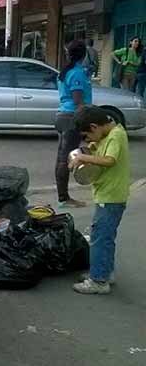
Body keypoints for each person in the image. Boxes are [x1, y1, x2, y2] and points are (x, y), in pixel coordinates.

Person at [70, 107, 130, 295]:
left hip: (111, 196)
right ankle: (105, 272)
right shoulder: (107, 135)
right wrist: (84, 152)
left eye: (89, 134)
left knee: (99, 238)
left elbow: (109, 160)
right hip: (109, 194)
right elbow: (96, 148)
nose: (89, 140)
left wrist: (82, 157)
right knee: (106, 238)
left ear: (95, 126)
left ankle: (98, 281)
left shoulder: (116, 136)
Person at [55, 40, 92, 208]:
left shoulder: (65, 72)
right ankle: (63, 199)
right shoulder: (76, 73)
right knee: (65, 159)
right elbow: (78, 101)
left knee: (62, 157)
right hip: (72, 118)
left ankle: (63, 197)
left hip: (63, 116)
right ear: (84, 55)